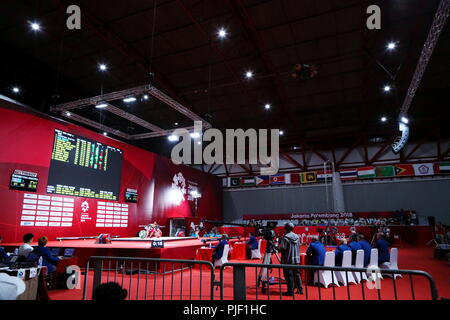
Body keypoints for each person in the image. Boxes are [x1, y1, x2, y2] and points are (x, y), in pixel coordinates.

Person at [279, 223, 303, 296]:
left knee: (289, 276)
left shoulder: (285, 237)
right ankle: (300, 289)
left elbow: (283, 249)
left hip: (288, 260)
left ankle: (290, 291)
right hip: (296, 259)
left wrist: (277, 248)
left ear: (285, 228)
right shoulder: (297, 236)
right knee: (297, 274)